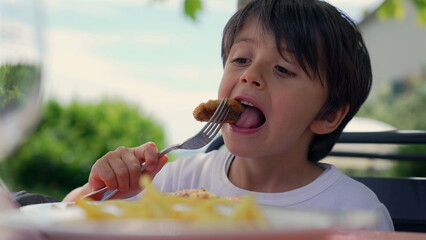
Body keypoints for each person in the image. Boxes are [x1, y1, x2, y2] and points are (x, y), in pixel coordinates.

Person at [64, 0, 394, 231]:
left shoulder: (356, 212)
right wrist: (101, 192)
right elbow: (66, 220)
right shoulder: (177, 181)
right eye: (240, 60)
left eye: (283, 68)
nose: (251, 75)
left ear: (329, 114)